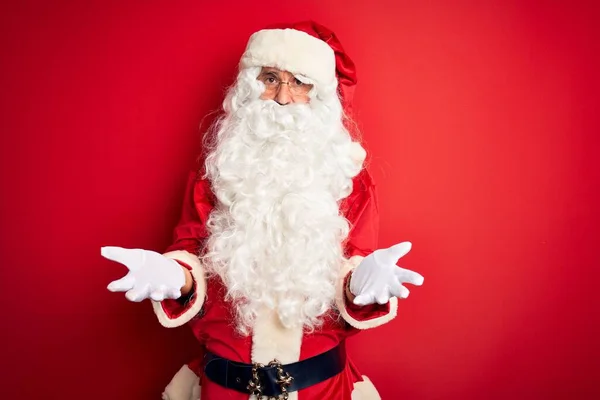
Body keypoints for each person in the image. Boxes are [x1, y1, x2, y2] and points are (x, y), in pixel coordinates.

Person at [101, 21, 424, 400]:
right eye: (270, 78)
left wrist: (362, 281)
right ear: (248, 88)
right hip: (225, 389)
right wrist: (175, 277)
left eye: (299, 82)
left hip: (320, 390)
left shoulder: (347, 180)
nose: (282, 98)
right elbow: (190, 255)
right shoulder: (218, 173)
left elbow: (355, 267)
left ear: (319, 95)